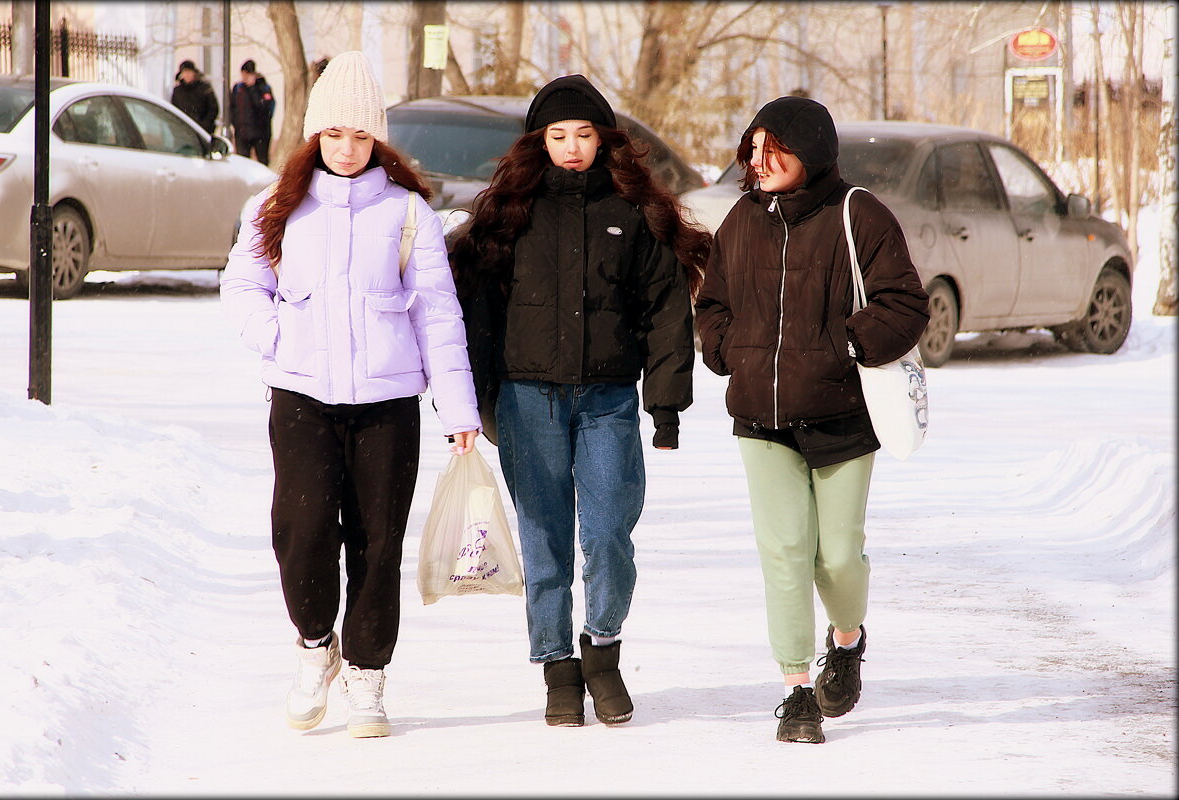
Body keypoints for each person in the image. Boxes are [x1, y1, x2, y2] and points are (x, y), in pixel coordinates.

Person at [220, 51, 480, 739]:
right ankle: (315, 646)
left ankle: (367, 673)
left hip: (387, 405)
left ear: (377, 140)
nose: (346, 147)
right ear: (314, 135)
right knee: (301, 533)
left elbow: (438, 313)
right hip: (301, 396)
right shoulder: (274, 208)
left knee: (377, 541)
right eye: (334, 134)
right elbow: (242, 285)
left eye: (360, 136)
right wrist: (276, 338)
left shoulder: (407, 214)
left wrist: (459, 410)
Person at [448, 74, 711, 728]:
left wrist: (667, 402)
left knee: (610, 533)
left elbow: (666, 311)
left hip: (608, 400)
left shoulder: (632, 213)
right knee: (545, 544)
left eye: (583, 135)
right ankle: (557, 668)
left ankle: (603, 649)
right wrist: (473, 403)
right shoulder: (510, 212)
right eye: (558, 135)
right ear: (540, 142)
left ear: (603, 139)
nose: (571, 147)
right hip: (526, 399)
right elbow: (476, 312)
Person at [693, 96, 929, 744]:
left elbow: (906, 302)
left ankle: (847, 641)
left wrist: (849, 345)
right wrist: (723, 349)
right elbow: (711, 302)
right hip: (760, 421)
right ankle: (796, 691)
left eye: (776, 149)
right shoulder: (740, 221)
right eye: (754, 149)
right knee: (785, 553)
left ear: (812, 153)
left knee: (838, 559)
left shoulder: (860, 214)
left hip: (842, 417)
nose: (760, 161)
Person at [229, 59, 275, 165]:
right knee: (243, 163)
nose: (244, 77)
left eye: (247, 74)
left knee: (262, 162)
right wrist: (236, 124)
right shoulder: (238, 88)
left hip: (260, 133)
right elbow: (232, 108)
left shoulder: (263, 88)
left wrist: (253, 88)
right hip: (242, 132)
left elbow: (264, 108)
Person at [170, 59, 219, 134]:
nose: (187, 75)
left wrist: (205, 125)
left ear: (194, 73)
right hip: (183, 131)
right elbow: (174, 110)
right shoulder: (177, 91)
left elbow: (213, 109)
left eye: (189, 72)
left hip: (203, 130)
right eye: (185, 72)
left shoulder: (205, 88)